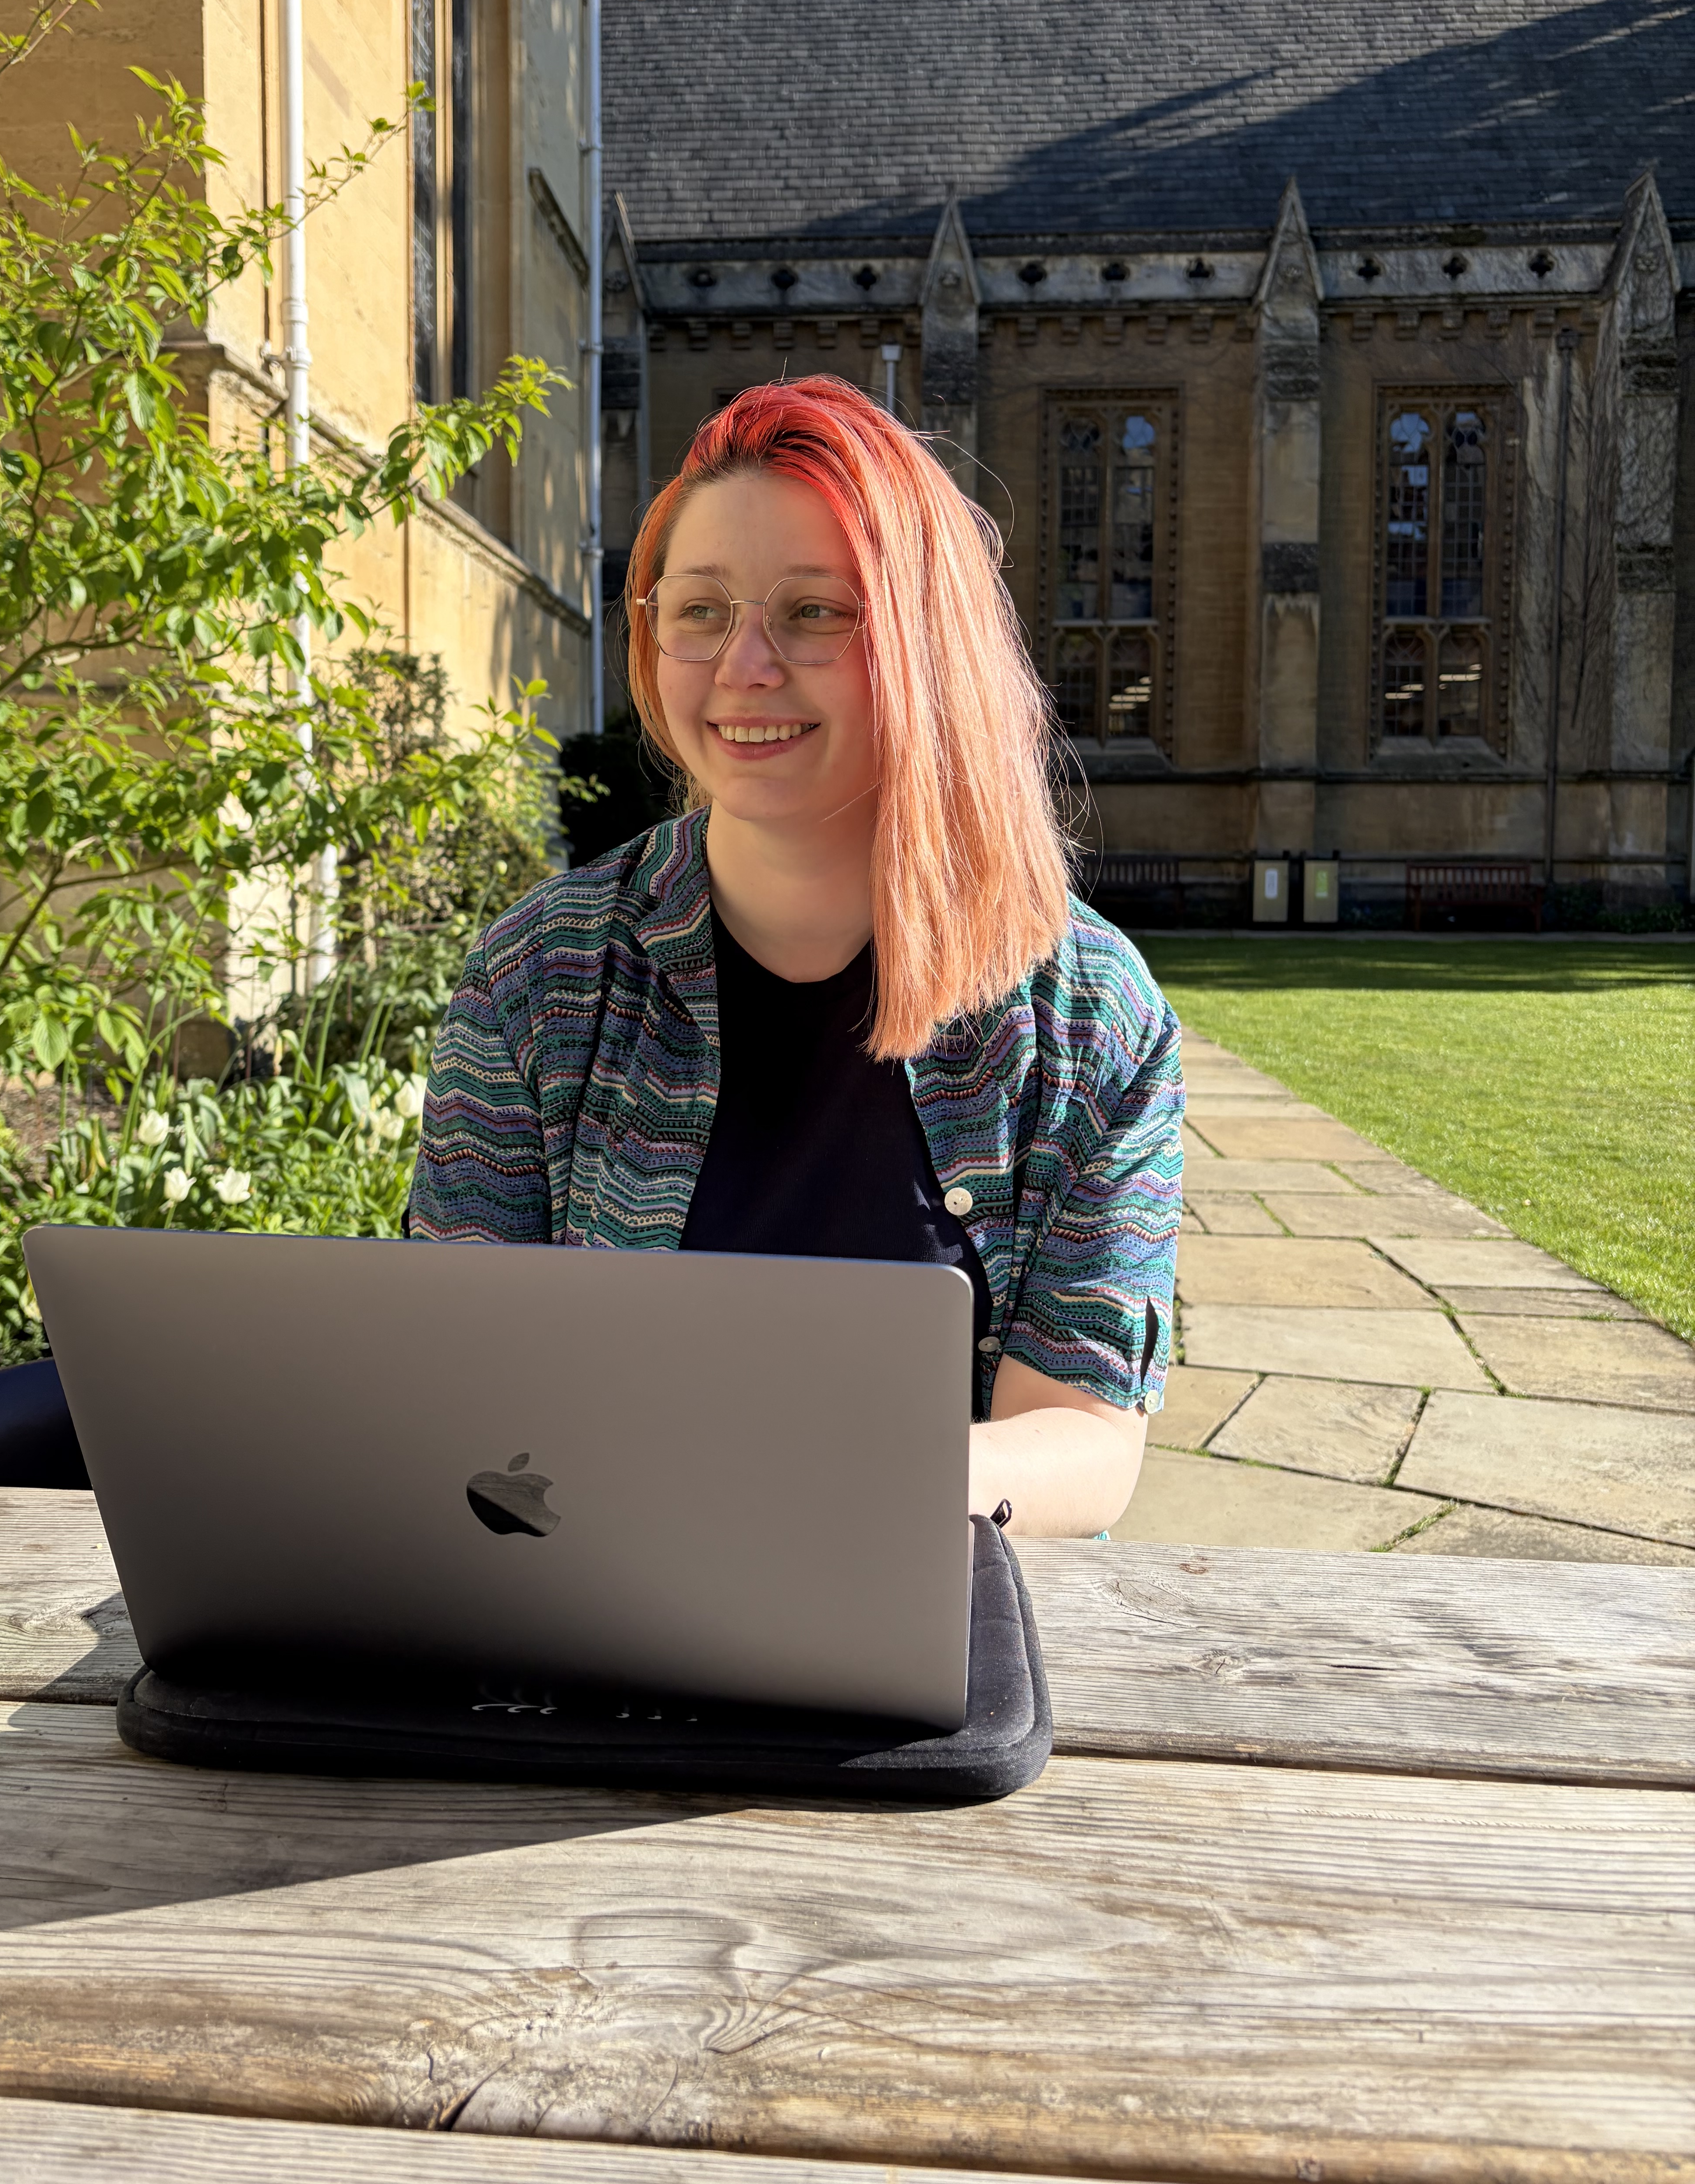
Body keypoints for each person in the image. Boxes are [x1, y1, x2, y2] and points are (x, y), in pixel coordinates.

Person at [407, 376, 1182, 1538]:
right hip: (589, 1623)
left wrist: (828, 1500)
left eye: (816, 612)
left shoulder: (1086, 1016)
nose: (745, 666)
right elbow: (450, 1378)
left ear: (928, 643)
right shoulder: (537, 979)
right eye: (700, 609)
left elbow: (1079, 1431)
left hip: (918, 1626)